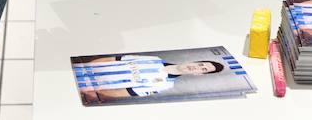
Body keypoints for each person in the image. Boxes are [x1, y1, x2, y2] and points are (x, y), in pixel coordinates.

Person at [73, 55, 224, 101]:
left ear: (198, 74)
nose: (197, 67)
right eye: (200, 64)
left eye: (203, 69)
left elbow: (120, 93)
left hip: (80, 87)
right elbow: (113, 59)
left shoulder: (164, 85)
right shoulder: (153, 59)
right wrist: (85, 67)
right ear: (194, 61)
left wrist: (88, 90)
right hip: (77, 69)